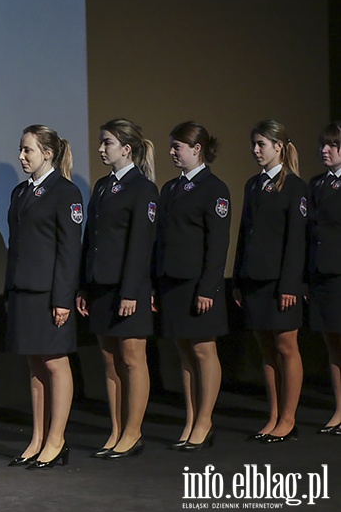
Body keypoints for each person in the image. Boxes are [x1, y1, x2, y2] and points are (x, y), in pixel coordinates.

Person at [77, 118, 157, 460]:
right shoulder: (102, 186)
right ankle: (116, 428)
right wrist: (83, 285)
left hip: (129, 288)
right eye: (100, 142)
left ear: (126, 148)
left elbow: (141, 245)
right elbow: (90, 240)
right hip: (100, 286)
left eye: (106, 142)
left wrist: (130, 292)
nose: (100, 148)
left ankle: (133, 431)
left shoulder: (143, 188)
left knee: (132, 358)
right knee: (110, 360)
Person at [5, 125, 82, 470]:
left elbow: (69, 251)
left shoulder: (65, 192)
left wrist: (63, 298)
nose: (21, 157)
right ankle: (37, 438)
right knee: (35, 364)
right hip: (24, 290)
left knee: (54, 362)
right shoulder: (21, 192)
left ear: (47, 154)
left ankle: (57, 439)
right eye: (21, 150)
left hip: (51, 293)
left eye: (28, 151)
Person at [153, 122, 231, 451]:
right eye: (171, 147)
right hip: (172, 282)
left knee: (203, 349)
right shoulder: (170, 188)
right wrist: (156, 284)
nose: (172, 152)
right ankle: (190, 418)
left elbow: (218, 244)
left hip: (199, 284)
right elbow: (161, 240)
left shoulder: (214, 188)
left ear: (197, 149)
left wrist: (208, 288)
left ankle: (205, 420)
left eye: (178, 147)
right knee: (185, 352)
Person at [232, 119, 306, 444]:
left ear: (278, 146)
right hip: (254, 280)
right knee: (266, 349)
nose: (255, 150)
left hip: (281, 283)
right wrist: (237, 278)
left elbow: (297, 241)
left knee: (286, 346)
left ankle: (289, 418)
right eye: (254, 144)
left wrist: (290, 285)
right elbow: (244, 235)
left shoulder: (295, 187)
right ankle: (274, 415)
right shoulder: (252, 184)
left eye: (261, 144)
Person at [308, 122, 341, 435]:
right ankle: (340, 409)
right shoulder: (316, 184)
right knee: (332, 343)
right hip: (322, 274)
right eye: (323, 144)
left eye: (332, 145)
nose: (325, 150)